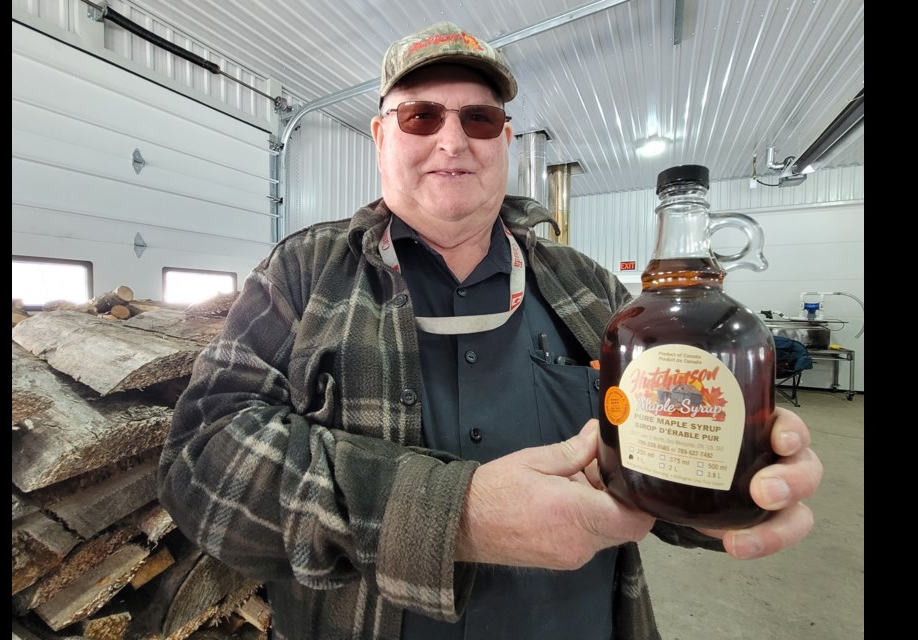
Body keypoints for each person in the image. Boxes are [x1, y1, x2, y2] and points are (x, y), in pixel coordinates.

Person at [157, 21, 823, 640]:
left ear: (505, 141)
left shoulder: (591, 291)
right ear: (382, 136)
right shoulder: (302, 274)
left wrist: (729, 488)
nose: (452, 140)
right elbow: (203, 466)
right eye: (420, 116)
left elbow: (655, 463)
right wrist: (458, 516)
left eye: (479, 118)